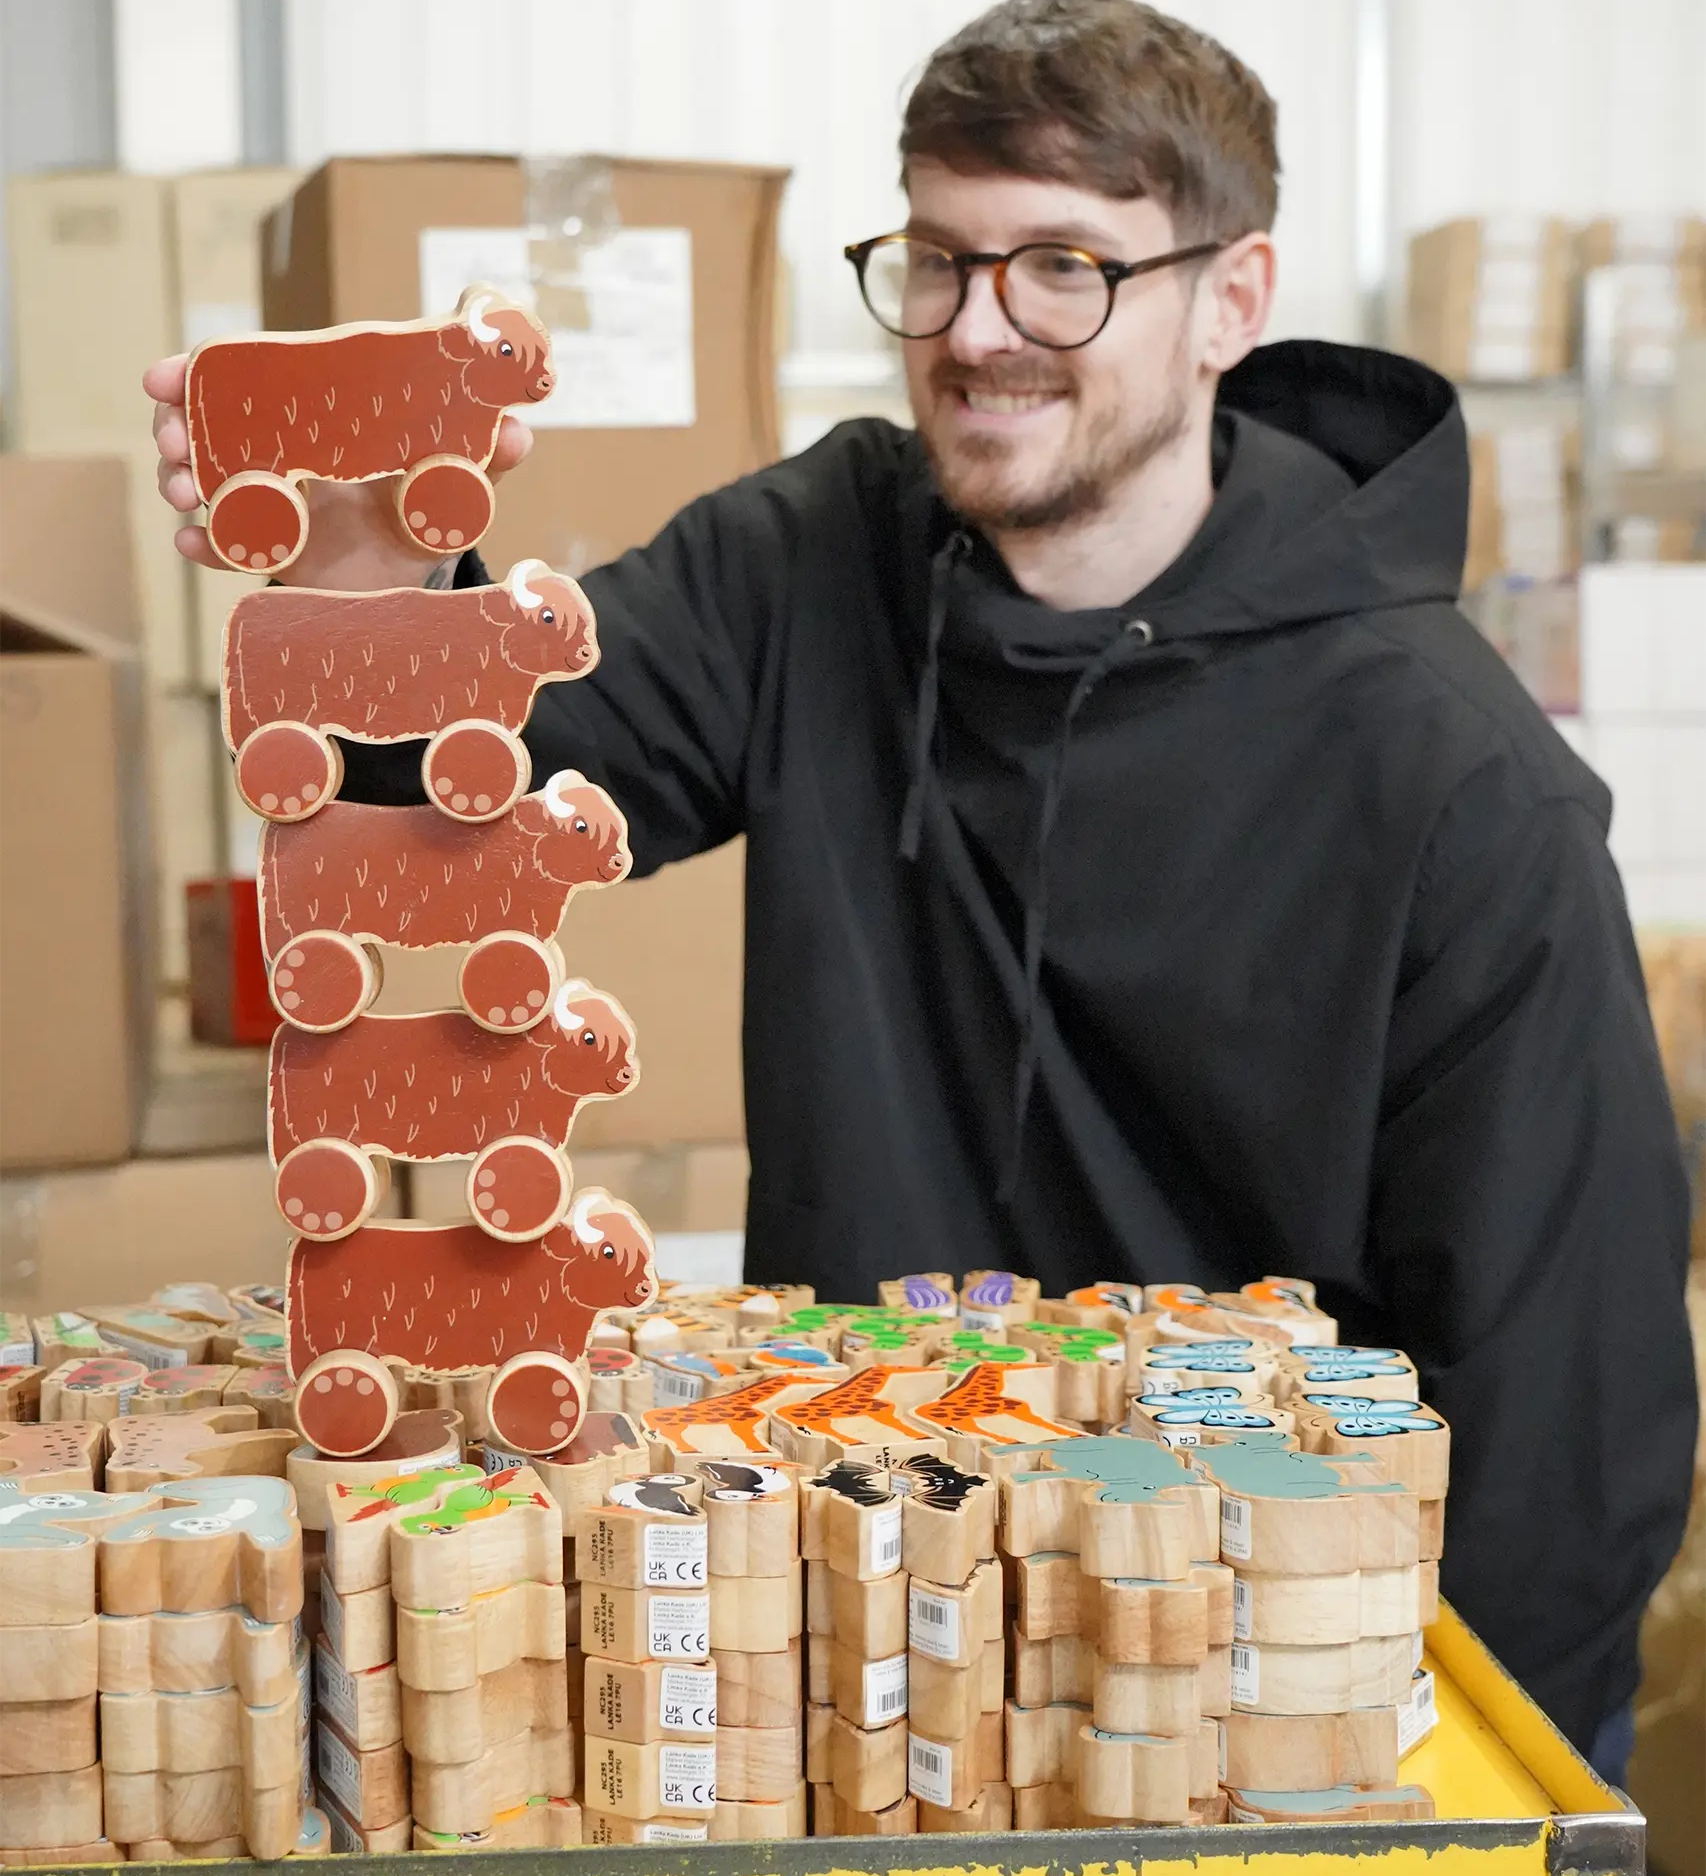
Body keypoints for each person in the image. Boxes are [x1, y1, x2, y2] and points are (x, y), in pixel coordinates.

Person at [149, 0, 1693, 1781]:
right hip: (869, 1625)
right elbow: (473, 775)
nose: (977, 334)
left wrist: (1397, 1788)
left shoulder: (1455, 784)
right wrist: (370, 582)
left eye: (1061, 271)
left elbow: (1565, 1425)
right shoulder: (816, 563)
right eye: (936, 261)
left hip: (1244, 1693)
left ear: (1232, 301)